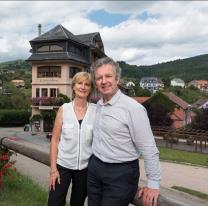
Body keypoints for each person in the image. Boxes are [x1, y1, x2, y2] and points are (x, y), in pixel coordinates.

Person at [87, 57, 161, 206]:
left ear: (117, 79)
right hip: (95, 169)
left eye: (108, 76)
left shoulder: (133, 109)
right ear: (96, 82)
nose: (103, 81)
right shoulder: (99, 105)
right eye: (99, 78)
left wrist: (153, 183)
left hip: (121, 174)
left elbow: (148, 148)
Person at [48, 72, 96, 206]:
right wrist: (53, 169)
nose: (83, 87)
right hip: (62, 166)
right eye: (80, 83)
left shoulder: (96, 111)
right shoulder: (64, 109)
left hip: (85, 169)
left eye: (87, 84)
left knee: (77, 203)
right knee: (54, 202)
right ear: (73, 87)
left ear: (90, 88)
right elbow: (55, 140)